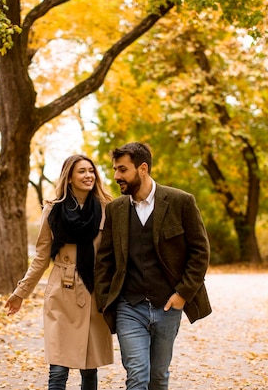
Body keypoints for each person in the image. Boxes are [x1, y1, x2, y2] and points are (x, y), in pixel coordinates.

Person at [94, 142, 212, 390]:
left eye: (122, 170)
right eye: (115, 169)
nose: (116, 176)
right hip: (128, 307)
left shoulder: (181, 202)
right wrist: (106, 301)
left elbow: (200, 252)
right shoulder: (116, 209)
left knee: (158, 377)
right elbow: (104, 260)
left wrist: (183, 294)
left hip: (167, 307)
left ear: (143, 168)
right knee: (137, 376)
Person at [5, 154, 114, 390]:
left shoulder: (107, 208)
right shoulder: (53, 210)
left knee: (89, 365)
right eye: (82, 171)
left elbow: (115, 255)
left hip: (93, 290)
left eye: (91, 171)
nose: (88, 176)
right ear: (70, 177)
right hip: (62, 293)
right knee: (58, 366)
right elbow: (42, 257)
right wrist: (20, 292)